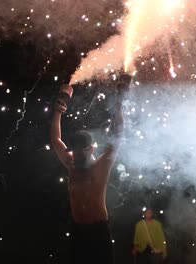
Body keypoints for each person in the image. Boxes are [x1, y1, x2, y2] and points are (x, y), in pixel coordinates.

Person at [51, 77, 129, 264]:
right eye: (74, 151)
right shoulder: (72, 164)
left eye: (80, 152)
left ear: (91, 149)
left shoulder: (100, 166)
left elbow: (117, 134)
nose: (75, 155)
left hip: (98, 232)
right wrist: (59, 107)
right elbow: (56, 139)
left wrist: (119, 102)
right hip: (78, 231)